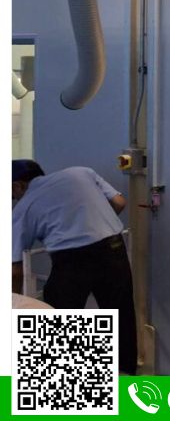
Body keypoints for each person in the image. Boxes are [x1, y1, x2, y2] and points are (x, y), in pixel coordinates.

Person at [12, 160, 138, 375]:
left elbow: (15, 268)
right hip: (112, 249)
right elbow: (119, 202)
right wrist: (94, 225)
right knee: (121, 315)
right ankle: (126, 377)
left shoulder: (23, 208)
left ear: (18, 185)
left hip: (72, 262)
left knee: (58, 322)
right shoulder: (82, 172)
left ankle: (69, 381)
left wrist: (13, 301)